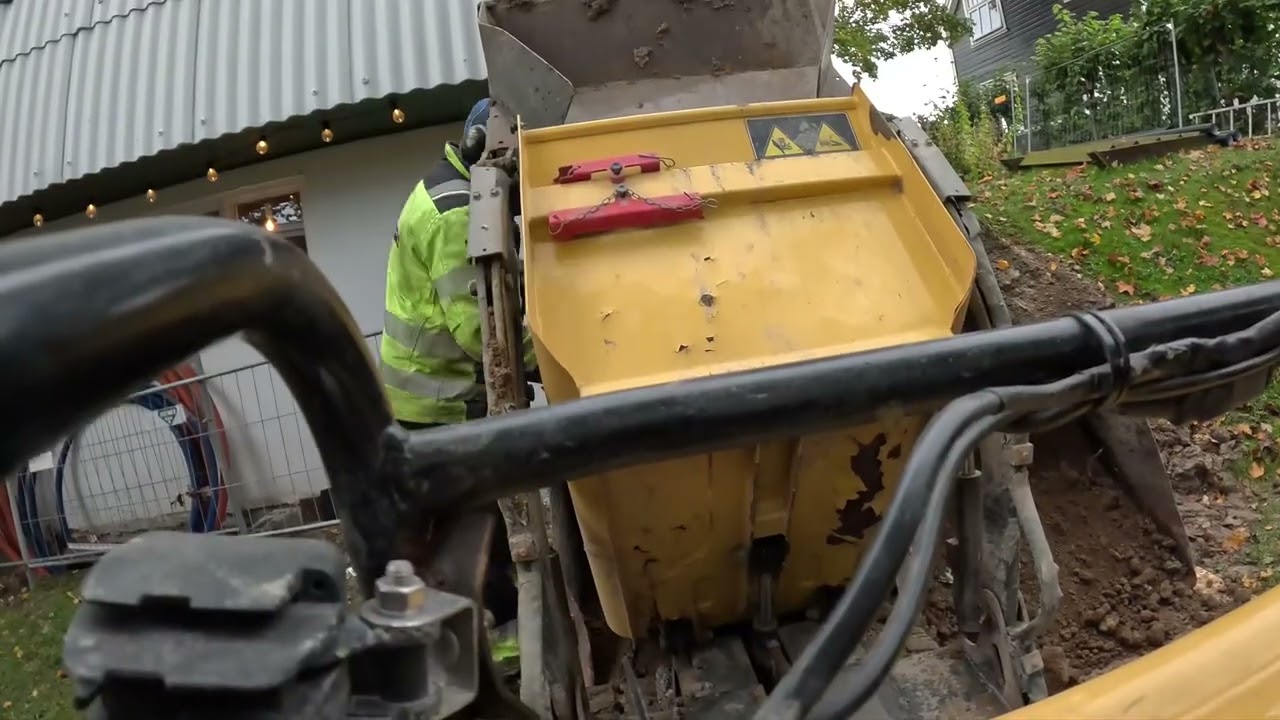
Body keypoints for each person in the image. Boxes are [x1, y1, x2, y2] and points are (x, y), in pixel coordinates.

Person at [379, 97, 535, 647]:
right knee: (483, 523)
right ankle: (505, 641)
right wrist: (549, 360)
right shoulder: (455, 213)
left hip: (422, 398)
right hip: (438, 402)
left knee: (460, 524)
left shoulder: (449, 189)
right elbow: (479, 330)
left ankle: (469, 633)